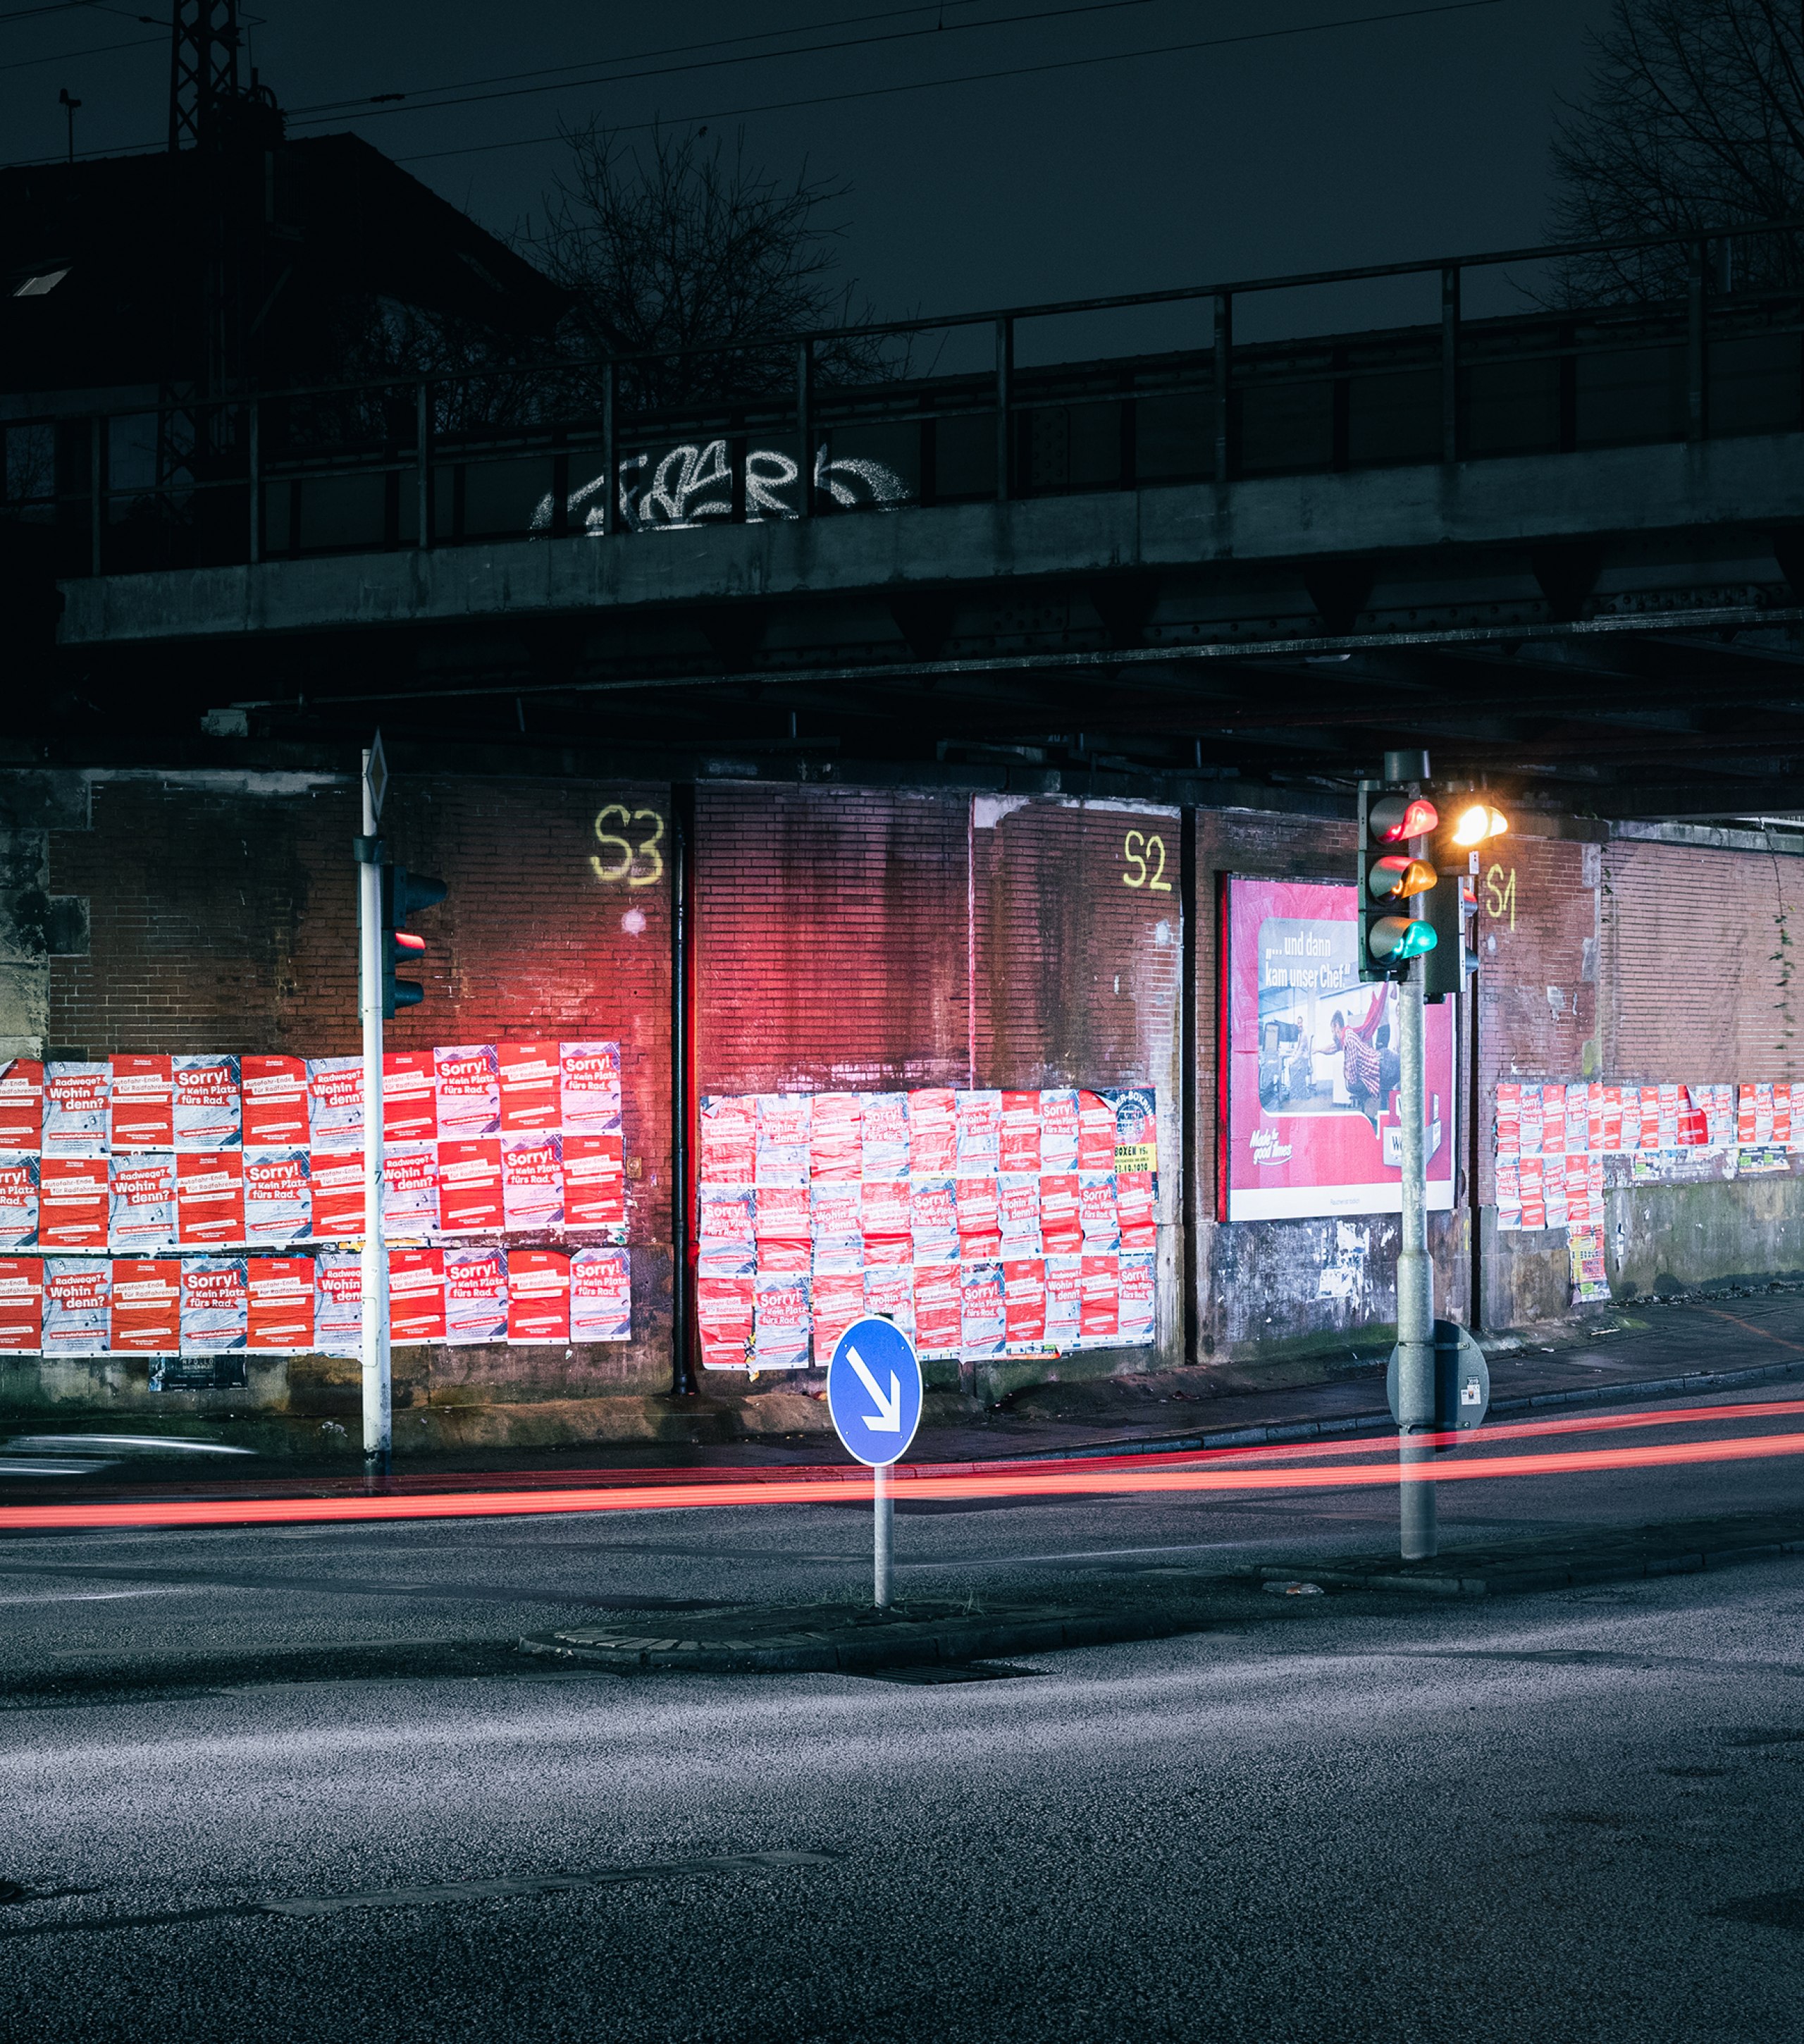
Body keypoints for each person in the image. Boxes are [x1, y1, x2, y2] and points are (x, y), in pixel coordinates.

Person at [1330, 986, 1391, 1129]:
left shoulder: (1348, 1037)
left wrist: (1347, 1073)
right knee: (1380, 1094)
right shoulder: (1349, 1035)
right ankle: (1374, 1119)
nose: (1333, 1032)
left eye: (1333, 1029)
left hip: (1380, 1063)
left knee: (1363, 1088)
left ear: (1337, 1026)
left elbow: (1351, 1074)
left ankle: (1376, 1123)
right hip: (1379, 1061)